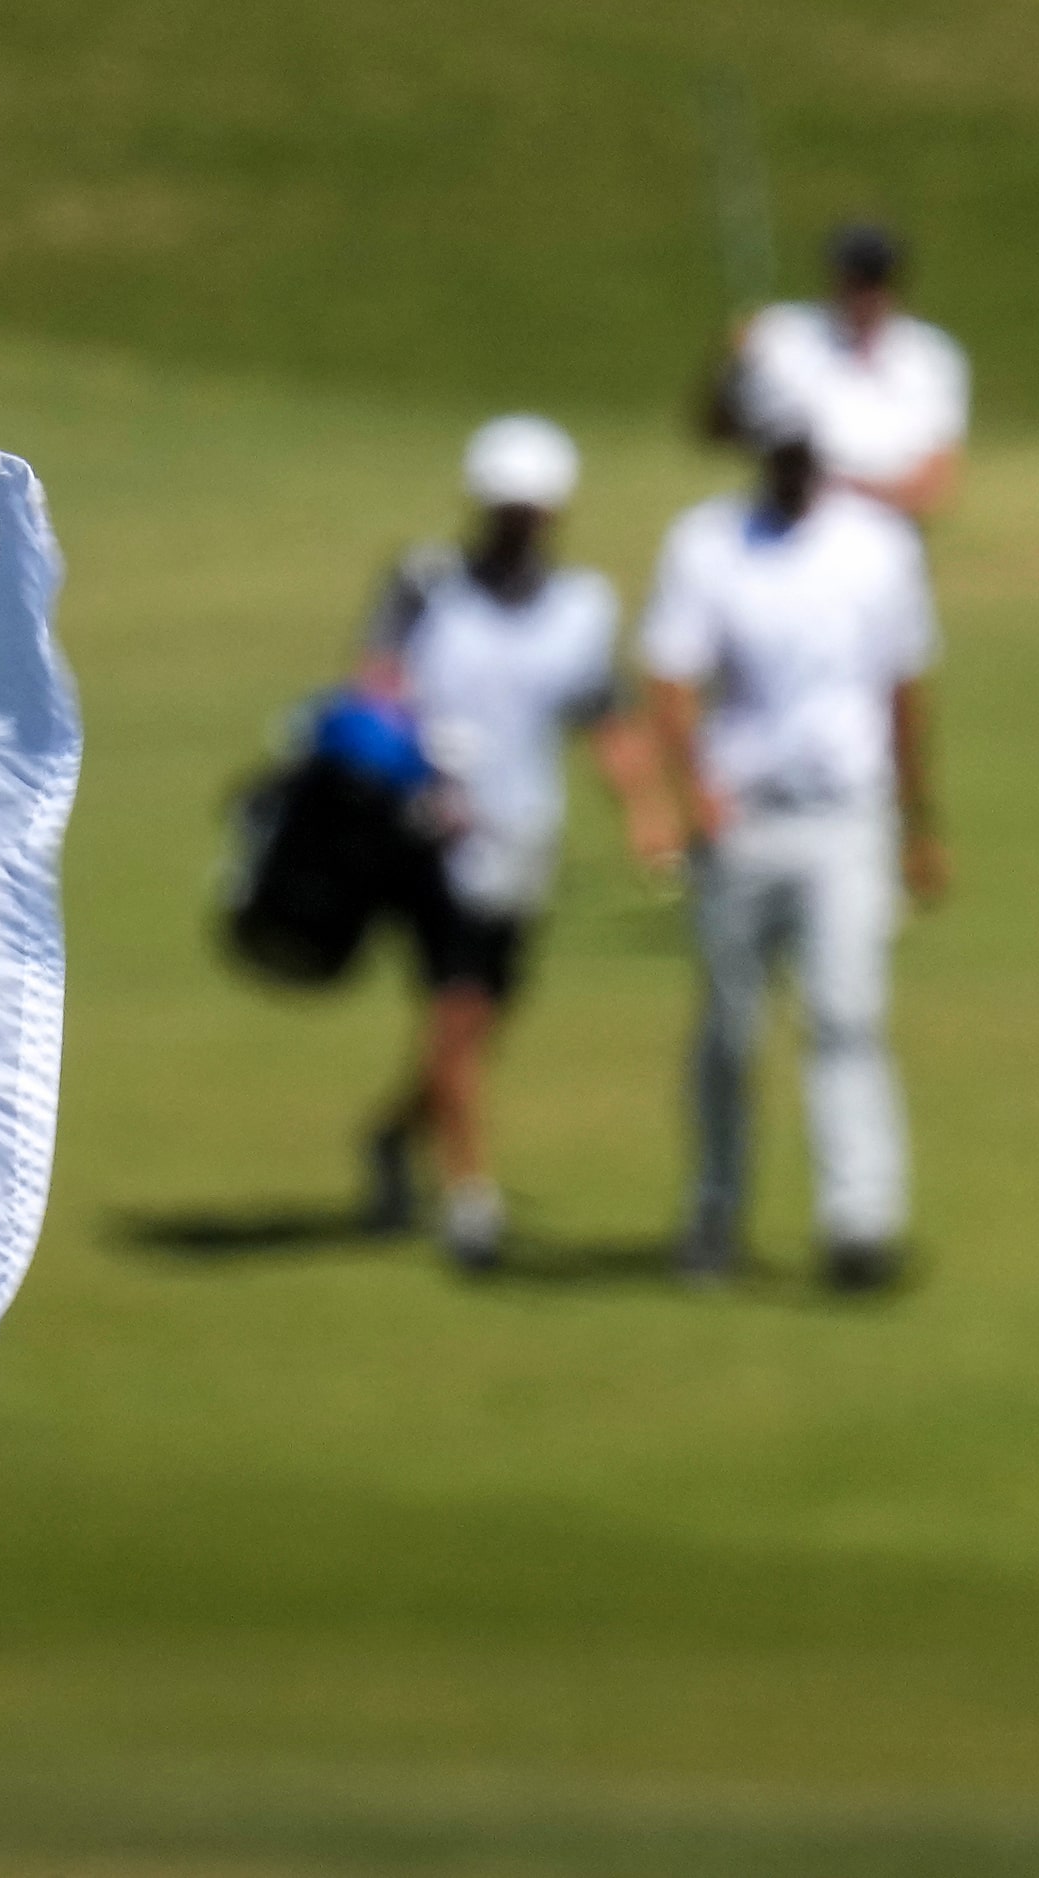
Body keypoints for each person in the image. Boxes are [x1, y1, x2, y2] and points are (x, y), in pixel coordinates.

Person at [640, 395, 949, 1289]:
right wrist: (692, 792)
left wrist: (922, 827)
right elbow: (670, 677)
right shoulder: (706, 543)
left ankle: (860, 1223)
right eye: (778, 452)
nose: (792, 468)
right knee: (730, 1033)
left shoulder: (880, 546)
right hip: (742, 819)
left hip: (847, 814)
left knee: (847, 1017)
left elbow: (904, 691)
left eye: (805, 452)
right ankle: (713, 1216)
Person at [357, 416, 678, 1272]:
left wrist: (646, 815)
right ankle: (472, 1202)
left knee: (480, 1016)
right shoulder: (424, 586)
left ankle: (393, 1136)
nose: (515, 525)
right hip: (427, 841)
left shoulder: (577, 611)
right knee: (458, 1008)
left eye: (529, 511)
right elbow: (375, 694)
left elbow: (606, 719)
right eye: (504, 509)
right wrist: (414, 763)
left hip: (524, 842)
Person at [716, 223, 968, 520]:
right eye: (853, 280)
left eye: (872, 280)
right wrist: (731, 370)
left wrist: (835, 487)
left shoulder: (931, 356)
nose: (861, 294)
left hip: (881, 534)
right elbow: (721, 432)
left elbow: (931, 488)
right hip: (788, 526)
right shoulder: (780, 335)